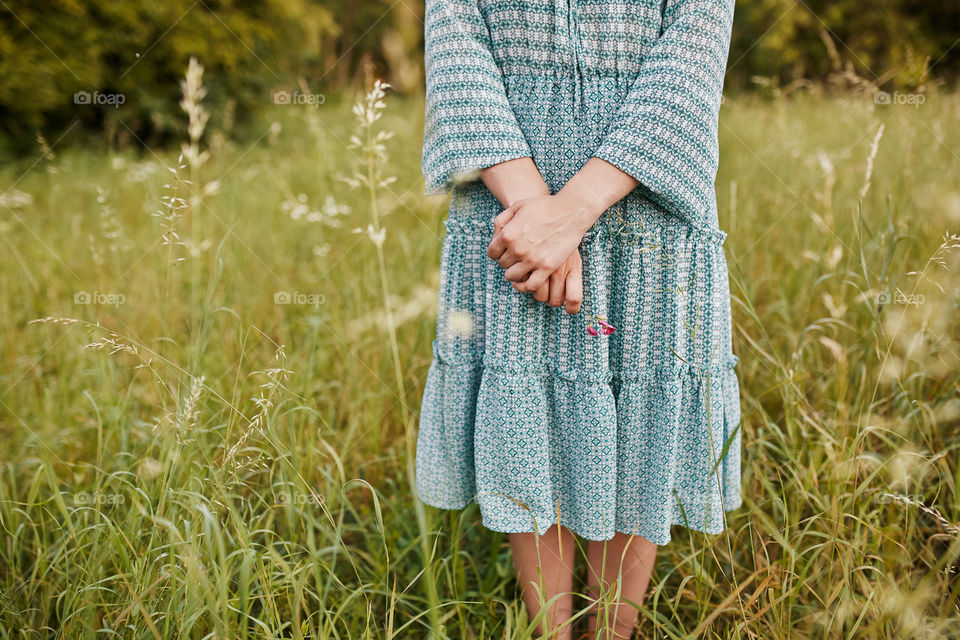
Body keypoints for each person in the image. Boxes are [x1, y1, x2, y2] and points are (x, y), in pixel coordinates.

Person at [414, 0, 743, 637]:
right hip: (511, 223)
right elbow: (458, 53)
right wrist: (537, 211)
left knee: (639, 412)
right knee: (530, 404)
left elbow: (687, 68)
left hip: (647, 218)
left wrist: (572, 213)